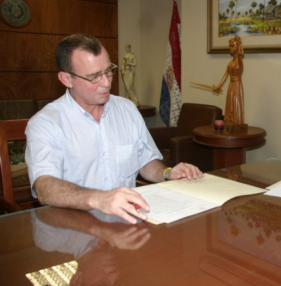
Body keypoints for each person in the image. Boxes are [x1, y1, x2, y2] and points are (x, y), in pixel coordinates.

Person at [25, 33, 203, 224]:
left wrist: (167, 173)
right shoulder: (46, 123)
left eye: (109, 71)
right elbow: (44, 187)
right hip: (73, 229)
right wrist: (99, 199)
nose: (107, 82)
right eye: (94, 77)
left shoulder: (126, 109)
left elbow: (145, 162)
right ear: (67, 79)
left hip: (127, 222)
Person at [212, 35, 245, 126]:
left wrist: (239, 45)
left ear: (236, 47)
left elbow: (240, 55)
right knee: (230, 103)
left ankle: (236, 121)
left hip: (237, 85)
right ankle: (230, 120)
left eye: (232, 46)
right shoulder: (230, 62)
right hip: (231, 85)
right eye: (229, 46)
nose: (230, 48)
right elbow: (225, 75)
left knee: (236, 102)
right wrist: (218, 86)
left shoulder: (239, 60)